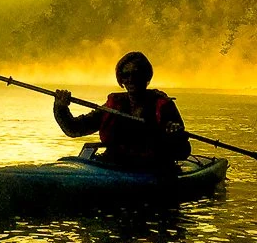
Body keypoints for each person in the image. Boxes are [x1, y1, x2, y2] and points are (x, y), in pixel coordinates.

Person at [53, 51, 191, 168]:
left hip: (151, 168)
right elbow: (74, 129)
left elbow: (183, 151)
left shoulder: (163, 106)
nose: (131, 79)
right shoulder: (113, 106)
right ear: (121, 79)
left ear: (146, 76)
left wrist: (174, 136)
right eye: (126, 74)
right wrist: (61, 107)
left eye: (136, 74)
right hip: (113, 165)